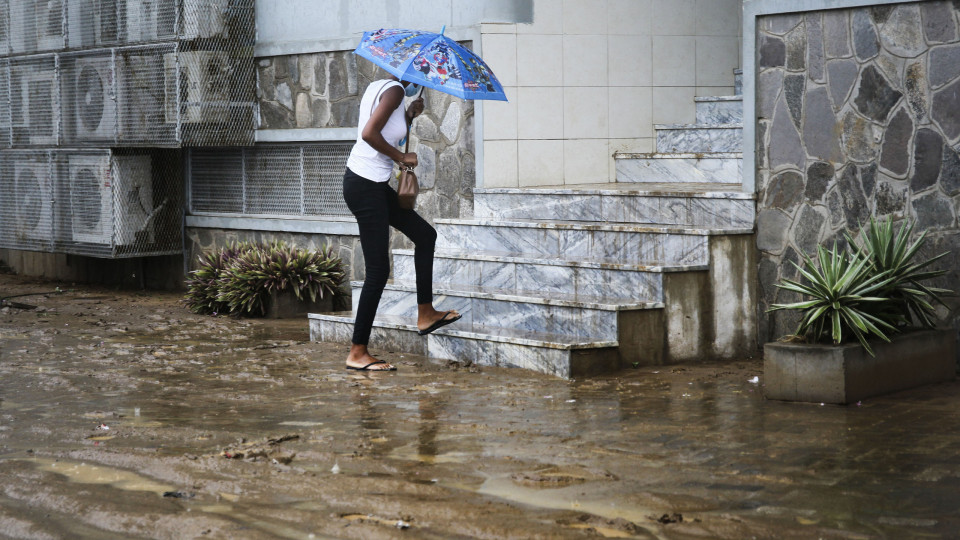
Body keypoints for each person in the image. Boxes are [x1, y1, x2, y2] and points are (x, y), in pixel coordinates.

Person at [342, 75, 461, 371]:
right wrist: (402, 158)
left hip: (372, 184)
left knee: (424, 235)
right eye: (417, 72)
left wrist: (408, 115)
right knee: (378, 271)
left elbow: (384, 129)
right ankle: (357, 352)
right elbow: (369, 133)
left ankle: (425, 313)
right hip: (365, 185)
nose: (418, 78)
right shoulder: (394, 90)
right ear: (404, 72)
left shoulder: (381, 89)